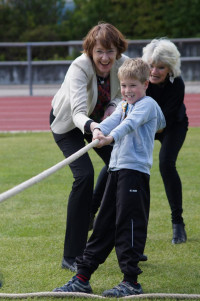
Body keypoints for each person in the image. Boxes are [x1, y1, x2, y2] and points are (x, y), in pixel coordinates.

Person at [53, 58, 166, 297]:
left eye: (133, 85)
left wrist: (109, 138)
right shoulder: (125, 105)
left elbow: (129, 125)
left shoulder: (147, 105)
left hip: (134, 174)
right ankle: (82, 277)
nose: (127, 91)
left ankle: (131, 281)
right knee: (103, 225)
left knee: (129, 225)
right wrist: (97, 129)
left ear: (146, 84)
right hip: (116, 170)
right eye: (123, 86)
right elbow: (113, 121)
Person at [49, 22, 128, 272]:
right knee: (84, 175)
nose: (105, 58)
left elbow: (121, 94)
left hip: (101, 122)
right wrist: (95, 127)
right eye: (99, 51)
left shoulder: (123, 64)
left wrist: (113, 108)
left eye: (110, 51)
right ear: (90, 51)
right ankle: (71, 256)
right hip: (69, 124)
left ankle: (122, 240)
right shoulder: (79, 67)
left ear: (118, 51)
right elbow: (77, 113)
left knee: (122, 163)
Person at [142, 38, 188, 244]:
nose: (154, 71)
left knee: (166, 163)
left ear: (170, 68)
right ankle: (92, 211)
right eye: (151, 65)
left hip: (172, 124)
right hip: (148, 123)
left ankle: (178, 223)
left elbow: (162, 121)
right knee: (120, 160)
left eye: (160, 67)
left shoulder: (177, 84)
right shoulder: (142, 80)